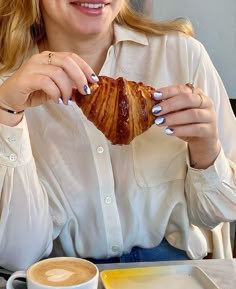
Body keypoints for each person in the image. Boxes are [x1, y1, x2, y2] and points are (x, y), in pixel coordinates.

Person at [0, 0, 236, 272]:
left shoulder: (182, 56)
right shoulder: (9, 87)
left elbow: (220, 213)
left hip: (175, 274)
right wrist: (8, 116)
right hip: (67, 280)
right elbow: (17, 255)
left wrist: (207, 150)